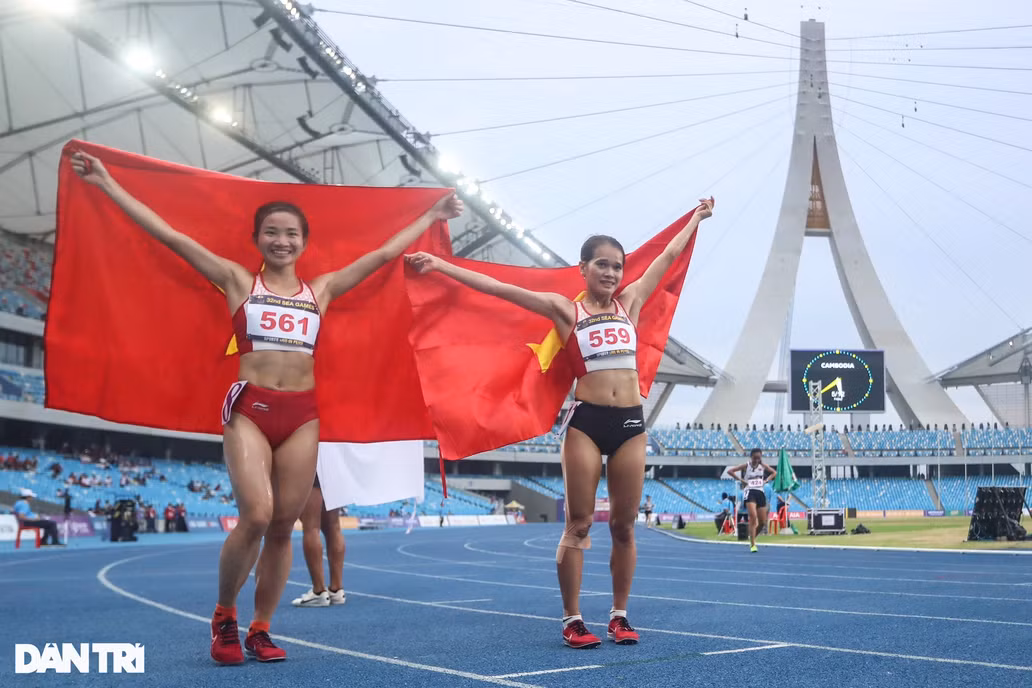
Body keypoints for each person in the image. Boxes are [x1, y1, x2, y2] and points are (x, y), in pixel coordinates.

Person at [70, 150, 462, 665]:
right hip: (250, 410)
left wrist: (431, 217)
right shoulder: (237, 280)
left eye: (292, 234)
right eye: (272, 232)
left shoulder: (321, 289)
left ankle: (260, 628)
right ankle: (225, 616)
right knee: (256, 514)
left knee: (284, 526)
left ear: (304, 241)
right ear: (257, 240)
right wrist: (105, 185)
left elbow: (382, 254)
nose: (282, 241)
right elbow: (170, 236)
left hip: (303, 415)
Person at [406, 197, 714, 649]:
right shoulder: (566, 310)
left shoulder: (631, 301)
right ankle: (572, 619)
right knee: (580, 524)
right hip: (587, 423)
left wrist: (696, 219)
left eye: (617, 266)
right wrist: (440, 265)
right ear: (583, 268)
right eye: (601, 265)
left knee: (625, 526)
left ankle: (620, 615)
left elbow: (667, 257)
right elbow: (497, 288)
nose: (610, 274)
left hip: (631, 424)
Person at [291, 474, 347, 607]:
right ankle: (336, 589)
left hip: (313, 464)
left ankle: (319, 591)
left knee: (311, 527)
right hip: (333, 466)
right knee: (333, 526)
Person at [728, 449, 776, 552]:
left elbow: (774, 473)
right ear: (751, 457)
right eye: (755, 458)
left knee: (763, 522)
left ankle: (752, 536)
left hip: (760, 493)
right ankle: (753, 544)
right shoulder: (747, 465)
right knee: (753, 517)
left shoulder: (762, 466)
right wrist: (741, 480)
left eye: (759, 458)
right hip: (750, 492)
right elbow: (730, 471)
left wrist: (766, 481)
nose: (757, 460)